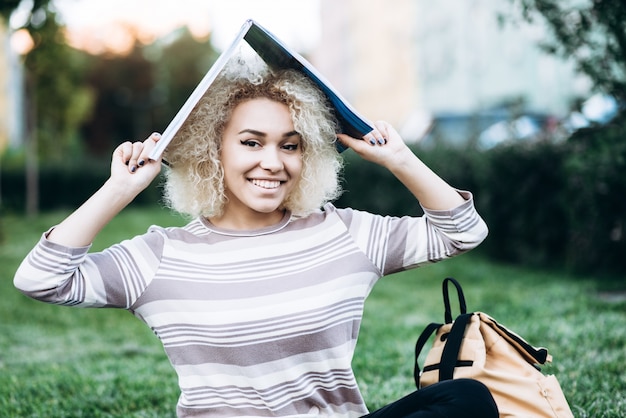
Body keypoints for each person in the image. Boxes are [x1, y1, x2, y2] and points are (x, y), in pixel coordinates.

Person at [14, 57, 497, 417]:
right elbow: (40, 279)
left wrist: (399, 160)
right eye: (251, 142)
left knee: (466, 398)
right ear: (213, 150)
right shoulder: (161, 257)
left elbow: (462, 232)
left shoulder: (343, 233)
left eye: (290, 146)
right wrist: (118, 189)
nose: (273, 161)